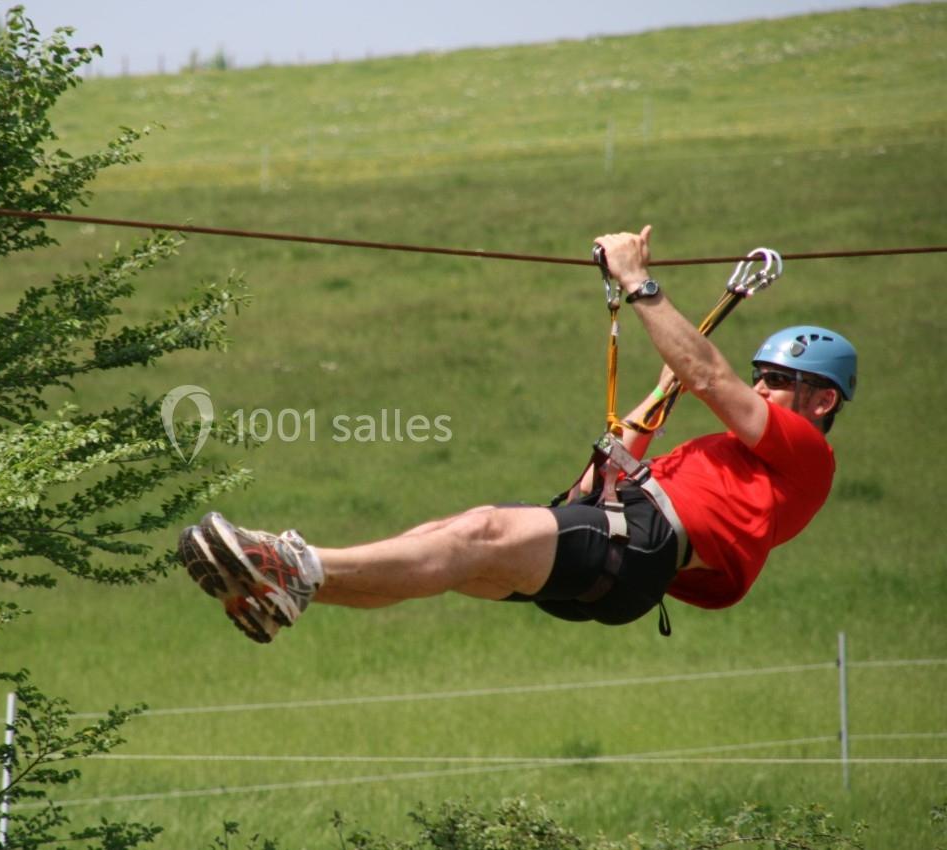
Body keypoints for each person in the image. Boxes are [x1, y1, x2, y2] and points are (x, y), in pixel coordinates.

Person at [178, 226, 857, 643]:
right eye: (760, 375)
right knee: (442, 546)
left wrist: (638, 281)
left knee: (476, 532)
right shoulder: (733, 459)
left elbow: (710, 375)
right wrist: (655, 398)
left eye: (777, 381)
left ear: (821, 400)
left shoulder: (805, 453)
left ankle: (295, 562)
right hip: (621, 540)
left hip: (642, 547)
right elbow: (615, 466)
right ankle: (283, 591)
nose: (761, 387)